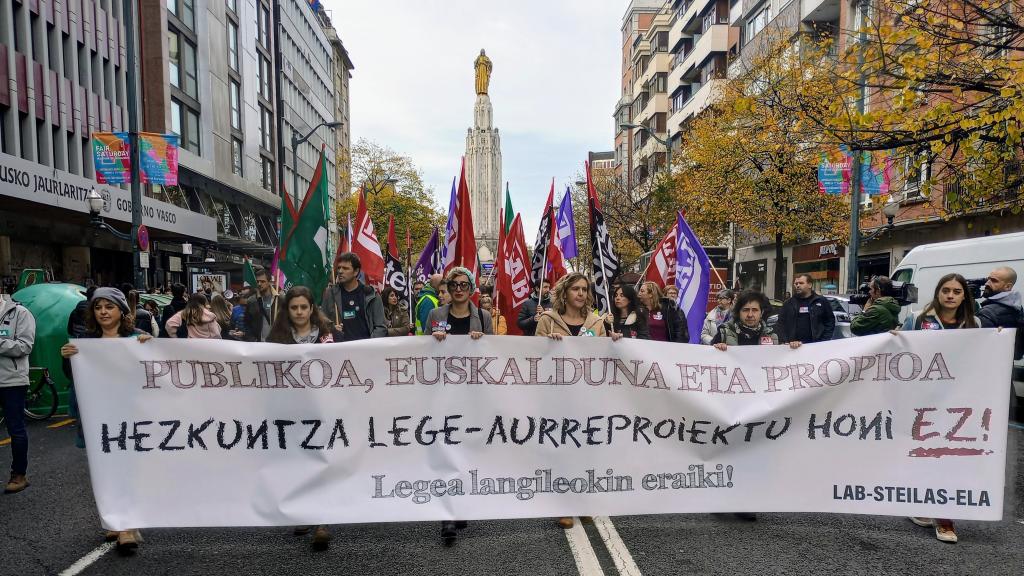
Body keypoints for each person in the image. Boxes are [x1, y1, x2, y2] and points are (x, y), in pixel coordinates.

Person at [60, 287, 152, 553]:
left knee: (128, 469)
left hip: (132, 415)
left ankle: (127, 527)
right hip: (98, 416)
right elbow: (73, 376)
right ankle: (114, 518)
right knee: (105, 470)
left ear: (122, 311)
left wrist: (151, 345)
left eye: (109, 307)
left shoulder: (137, 338)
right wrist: (66, 358)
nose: (103, 312)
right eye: (98, 307)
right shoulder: (85, 342)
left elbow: (155, 368)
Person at [536, 272, 620, 529]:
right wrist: (547, 345)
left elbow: (605, 356)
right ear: (565, 292)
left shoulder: (596, 323)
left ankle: (582, 500)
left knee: (586, 449)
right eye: (575, 289)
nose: (581, 293)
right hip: (558, 396)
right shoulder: (548, 321)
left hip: (588, 396)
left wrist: (614, 341)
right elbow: (532, 357)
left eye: (584, 289)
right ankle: (563, 504)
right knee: (562, 448)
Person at [900, 273, 979, 543]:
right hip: (923, 399)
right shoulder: (919, 320)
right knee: (923, 452)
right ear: (938, 292)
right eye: (946, 290)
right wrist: (893, 338)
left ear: (963, 296)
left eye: (957, 291)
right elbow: (901, 350)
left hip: (958, 402)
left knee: (948, 455)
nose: (950, 295)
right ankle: (921, 502)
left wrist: (999, 339)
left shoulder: (974, 324)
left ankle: (944, 517)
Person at [264, 286, 341, 549]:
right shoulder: (277, 337)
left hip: (322, 409)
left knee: (321, 461)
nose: (299, 312)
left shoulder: (327, 335)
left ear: (312, 309)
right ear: (287, 310)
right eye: (294, 308)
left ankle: (323, 520)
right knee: (299, 463)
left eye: (303, 307)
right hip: (292, 411)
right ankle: (305, 512)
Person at [427, 268, 492, 543]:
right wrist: (434, 340)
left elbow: (493, 356)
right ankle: (448, 516)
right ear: (449, 288)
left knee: (467, 450)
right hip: (444, 393)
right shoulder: (436, 316)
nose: (459, 289)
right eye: (454, 284)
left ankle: (461, 502)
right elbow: (422, 351)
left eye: (464, 284)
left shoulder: (484, 317)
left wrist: (483, 342)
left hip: (473, 394)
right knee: (446, 451)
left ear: (472, 288)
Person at [0, 295, 35, 495]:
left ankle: (19, 475)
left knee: (16, 429)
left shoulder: (20, 313)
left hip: (12, 380)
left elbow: (25, 346)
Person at [320, 253, 387, 341]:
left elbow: (381, 327)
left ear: (356, 271)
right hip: (340, 350)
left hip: (366, 350)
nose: (340, 271)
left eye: (345, 268)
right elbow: (321, 323)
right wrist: (332, 330)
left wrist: (370, 345)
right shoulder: (330, 294)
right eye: (339, 267)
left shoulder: (371, 294)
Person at [776, 274, 835, 344]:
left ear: (810, 285)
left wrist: (824, 341)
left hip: (816, 346)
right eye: (796, 283)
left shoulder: (821, 301)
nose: (797, 285)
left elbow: (830, 321)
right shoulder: (788, 304)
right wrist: (785, 341)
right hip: (793, 347)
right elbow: (780, 324)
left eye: (801, 283)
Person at [977, 267, 1022, 334]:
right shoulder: (1018, 308)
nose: (987, 283)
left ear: (1008, 287)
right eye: (988, 279)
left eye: (994, 281)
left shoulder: (986, 313)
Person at [244, 266, 280, 342]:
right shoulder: (252, 301)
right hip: (258, 344)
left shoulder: (279, 299)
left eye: (262, 281)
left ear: (270, 282)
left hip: (276, 344)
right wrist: (252, 340)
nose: (259, 284)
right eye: (257, 281)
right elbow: (247, 323)